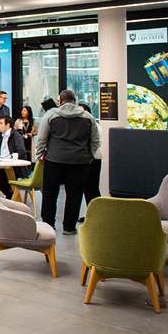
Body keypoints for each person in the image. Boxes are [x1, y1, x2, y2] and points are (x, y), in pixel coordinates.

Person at [33, 90, 100, 235]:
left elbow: (42, 138)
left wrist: (40, 155)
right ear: (75, 101)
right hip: (80, 162)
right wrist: (90, 156)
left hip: (54, 160)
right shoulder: (88, 117)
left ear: (60, 101)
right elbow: (95, 140)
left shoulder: (51, 115)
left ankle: (48, 224)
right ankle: (69, 227)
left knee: (50, 194)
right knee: (74, 195)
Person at [0, 116, 29, 196]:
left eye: (1, 123)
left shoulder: (16, 135)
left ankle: (11, 196)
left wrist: (12, 158)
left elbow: (22, 152)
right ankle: (4, 196)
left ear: (8, 125)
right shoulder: (1, 136)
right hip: (1, 163)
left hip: (13, 167)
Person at [79, 103, 103, 208]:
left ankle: (96, 213)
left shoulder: (94, 126)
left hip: (93, 159)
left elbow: (96, 143)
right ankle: (91, 213)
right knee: (87, 189)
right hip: (87, 158)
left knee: (92, 188)